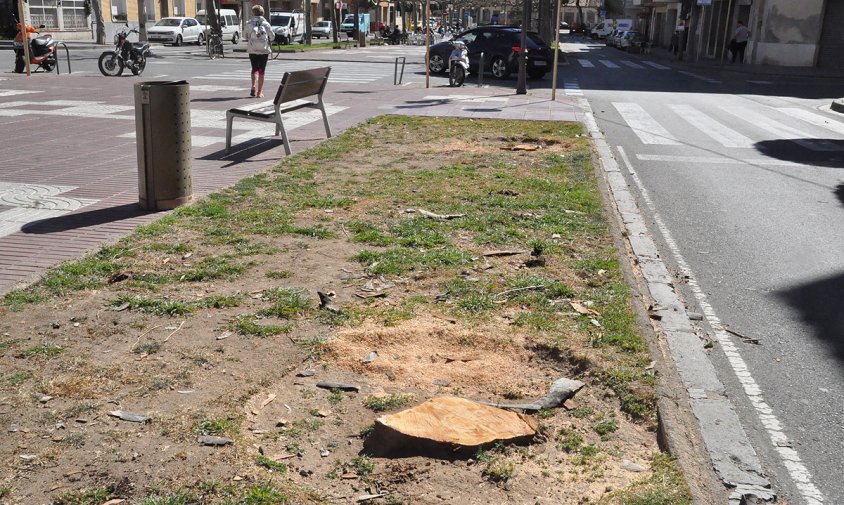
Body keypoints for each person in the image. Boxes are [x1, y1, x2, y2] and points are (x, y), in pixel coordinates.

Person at [245, 5, 274, 98]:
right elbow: (272, 37)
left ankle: (253, 85)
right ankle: (259, 92)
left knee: (254, 68)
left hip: (252, 49)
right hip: (264, 50)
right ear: (262, 13)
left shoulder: (249, 23)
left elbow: (244, 36)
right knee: (262, 71)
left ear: (253, 13)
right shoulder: (266, 24)